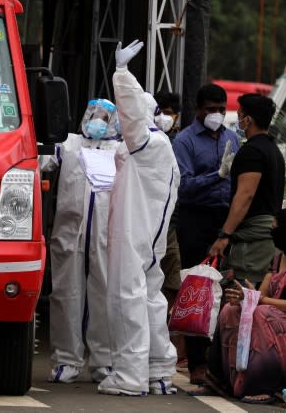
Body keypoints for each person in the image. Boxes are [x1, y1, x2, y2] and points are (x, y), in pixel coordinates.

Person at [97, 39, 180, 396]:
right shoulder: (159, 145)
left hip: (135, 235)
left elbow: (131, 120)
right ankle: (158, 371)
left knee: (127, 297)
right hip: (147, 236)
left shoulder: (148, 144)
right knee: (149, 298)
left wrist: (121, 74)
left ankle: (130, 376)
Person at [205, 208, 286, 404]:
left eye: (276, 227)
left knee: (263, 314)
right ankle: (220, 381)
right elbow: (262, 296)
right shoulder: (278, 259)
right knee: (231, 310)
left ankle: (265, 387)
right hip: (281, 316)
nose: (272, 231)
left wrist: (260, 301)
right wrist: (245, 298)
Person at [40, 99, 122, 383]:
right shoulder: (69, 144)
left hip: (105, 234)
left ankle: (103, 361)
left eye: (104, 116)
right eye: (94, 114)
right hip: (69, 232)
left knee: (104, 294)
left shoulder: (119, 151)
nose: (98, 120)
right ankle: (66, 359)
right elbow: (40, 161)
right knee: (65, 294)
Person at [171, 83, 241, 384]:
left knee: (227, 290)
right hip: (194, 218)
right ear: (199, 109)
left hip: (224, 219)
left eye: (221, 109)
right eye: (211, 109)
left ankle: (220, 363)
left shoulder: (231, 138)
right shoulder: (185, 141)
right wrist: (218, 175)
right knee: (197, 289)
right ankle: (197, 362)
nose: (217, 114)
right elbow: (183, 185)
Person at [210, 94, 286, 286]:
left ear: (248, 119)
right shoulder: (272, 149)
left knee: (242, 298)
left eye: (240, 114)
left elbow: (245, 195)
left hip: (253, 241)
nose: (238, 119)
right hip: (267, 236)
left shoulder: (252, 152)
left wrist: (224, 235)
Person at [154, 91, 184, 369]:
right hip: (147, 226)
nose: (165, 116)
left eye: (170, 111)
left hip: (170, 226)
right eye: (161, 110)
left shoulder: (179, 143)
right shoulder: (145, 141)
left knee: (171, 284)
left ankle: (161, 335)